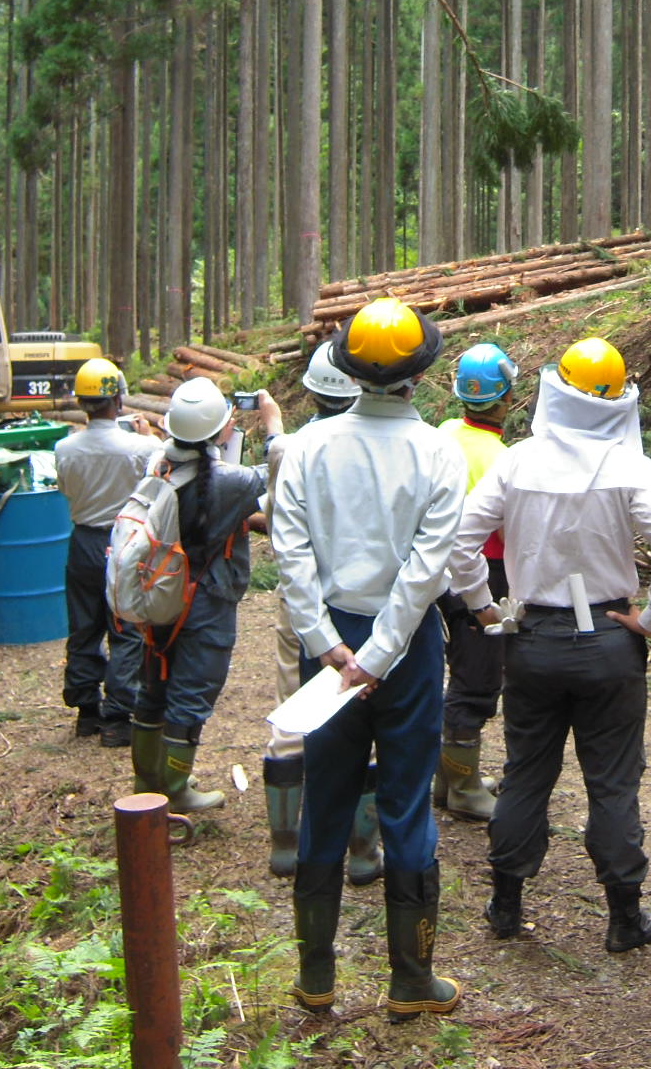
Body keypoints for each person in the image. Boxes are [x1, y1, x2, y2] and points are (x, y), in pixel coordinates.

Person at [448, 336, 651, 954]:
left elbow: (459, 542)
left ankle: (505, 905)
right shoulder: (627, 465)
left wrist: (482, 606)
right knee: (612, 781)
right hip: (610, 641)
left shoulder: (516, 461)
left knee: (526, 773)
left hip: (531, 638)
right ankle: (624, 917)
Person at [270, 299, 467, 1018]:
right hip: (405, 647)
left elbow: (290, 555)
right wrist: (382, 654)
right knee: (405, 802)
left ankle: (316, 978)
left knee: (325, 797)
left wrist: (327, 645)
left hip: (330, 647)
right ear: (421, 372)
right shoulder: (439, 450)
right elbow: (426, 568)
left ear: (347, 369)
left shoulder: (308, 449)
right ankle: (412, 979)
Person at [130, 376, 285, 813]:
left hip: (158, 592)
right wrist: (272, 423)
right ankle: (175, 788)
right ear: (222, 427)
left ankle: (148, 777)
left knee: (156, 682)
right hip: (206, 600)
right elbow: (280, 474)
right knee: (193, 692)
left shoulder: (157, 463)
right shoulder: (230, 482)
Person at [264, 342, 384, 885]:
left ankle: (287, 846)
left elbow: (274, 521)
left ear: (310, 392)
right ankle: (363, 850)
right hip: (366, 600)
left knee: (293, 714)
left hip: (303, 600)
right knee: (365, 723)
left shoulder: (290, 447)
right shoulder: (382, 441)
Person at [435, 342, 520, 821]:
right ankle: (464, 787)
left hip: (437, 574)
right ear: (505, 399)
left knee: (455, 673)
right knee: (477, 681)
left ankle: (447, 776)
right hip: (482, 575)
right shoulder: (503, 458)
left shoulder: (443, 432)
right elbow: (509, 533)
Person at [55, 358, 152, 748]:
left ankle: (85, 710)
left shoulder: (64, 448)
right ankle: (118, 716)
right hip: (124, 541)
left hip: (82, 541)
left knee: (84, 625)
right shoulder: (141, 446)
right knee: (125, 628)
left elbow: (65, 490)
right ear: (118, 400)